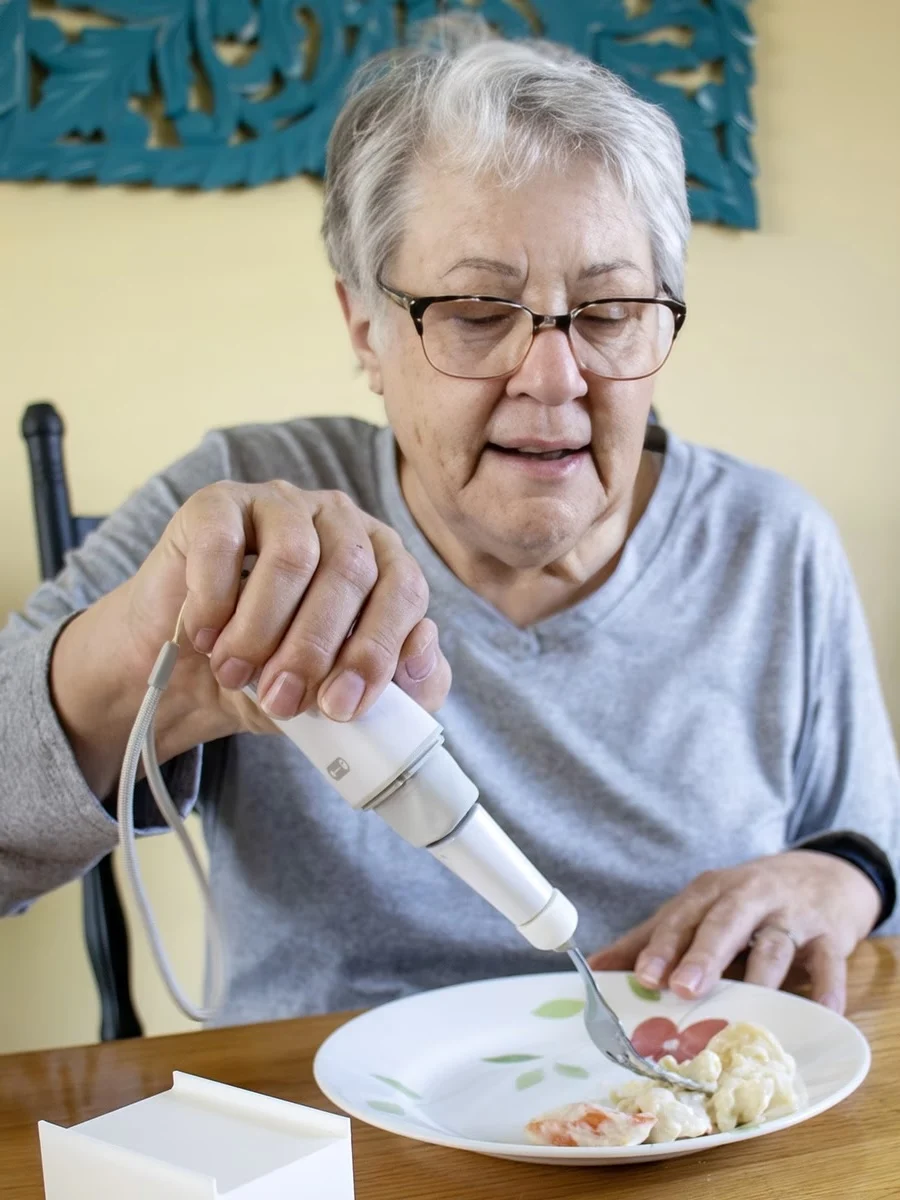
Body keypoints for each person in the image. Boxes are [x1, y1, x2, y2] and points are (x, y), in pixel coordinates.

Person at [1, 17, 897, 1028]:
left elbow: (871, 847)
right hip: (325, 1140)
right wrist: (147, 676)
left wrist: (847, 879)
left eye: (607, 315)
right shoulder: (250, 515)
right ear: (364, 329)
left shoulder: (772, 545)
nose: (554, 379)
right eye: (477, 312)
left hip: (676, 1132)